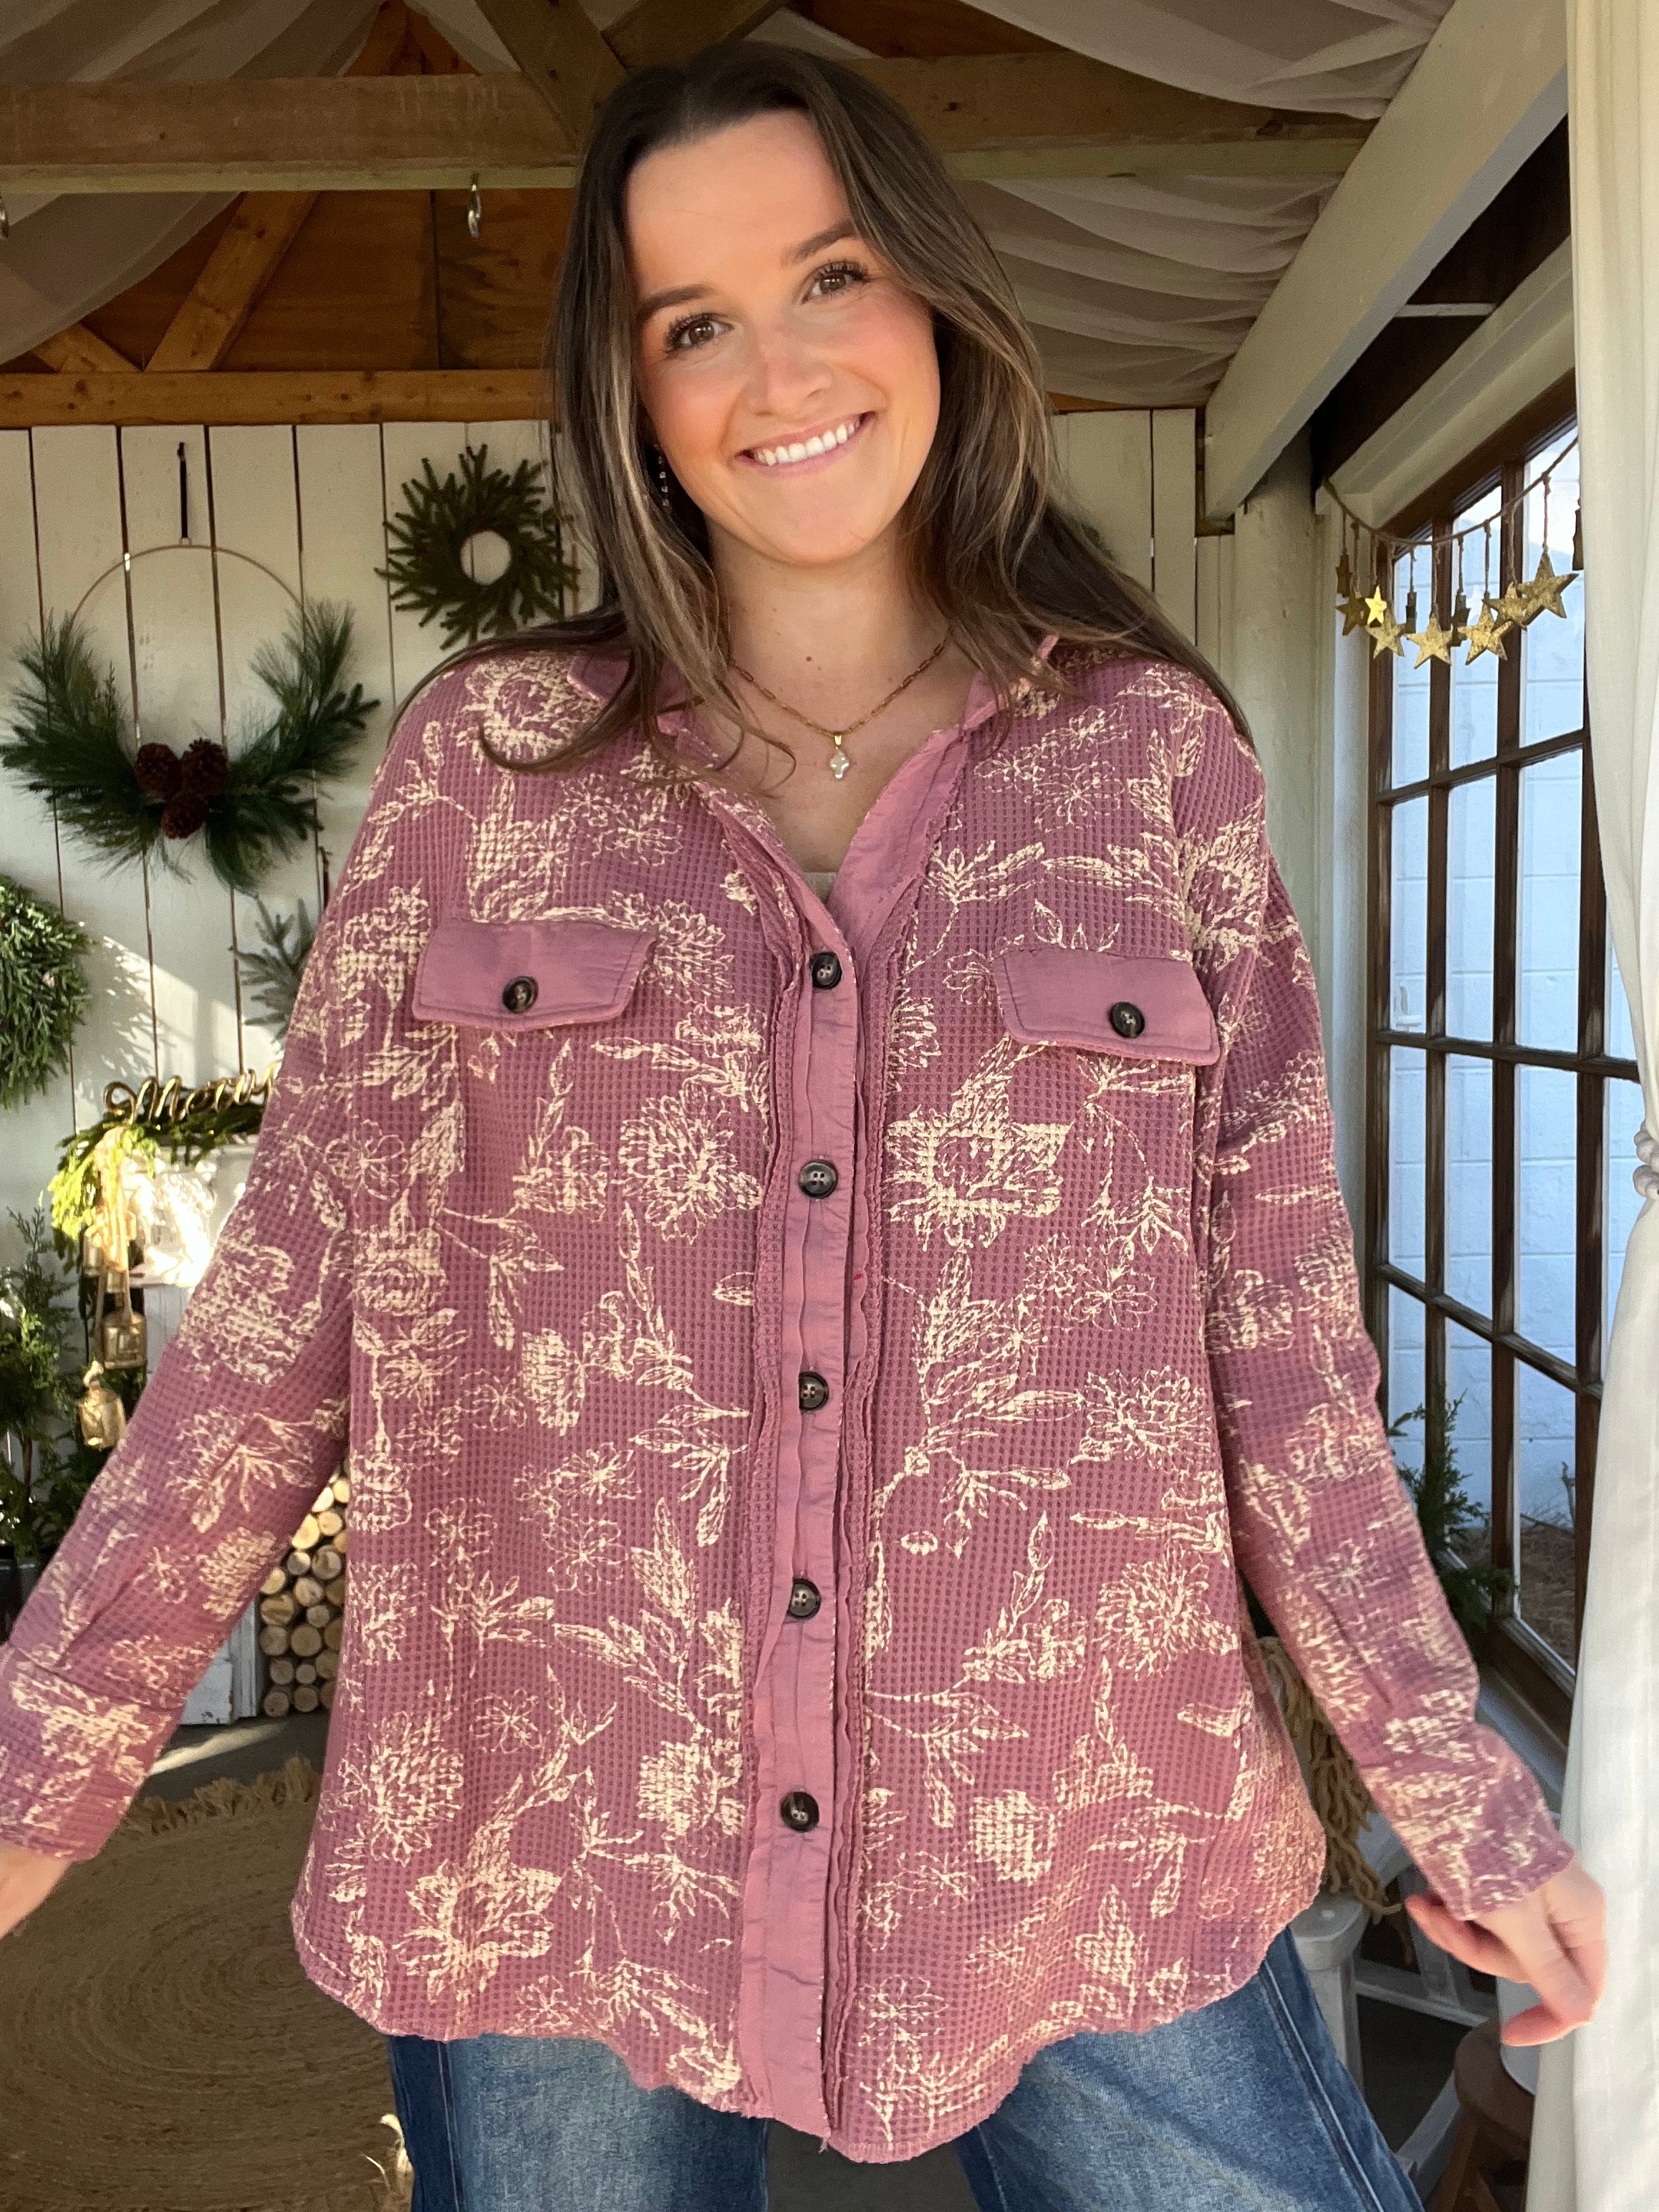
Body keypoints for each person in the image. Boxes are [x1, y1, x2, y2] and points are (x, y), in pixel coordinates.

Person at [0, 42, 1603, 2212]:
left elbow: (1288, 1360)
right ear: (630, 392)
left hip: (1079, 1823)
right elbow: (286, 1313)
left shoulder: (1153, 769)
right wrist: (44, 1756)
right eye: (694, 322)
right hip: (558, 1828)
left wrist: (1454, 1782)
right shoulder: (490, 777)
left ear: (934, 296)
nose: (779, 372)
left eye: (830, 275)